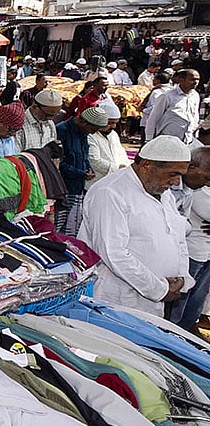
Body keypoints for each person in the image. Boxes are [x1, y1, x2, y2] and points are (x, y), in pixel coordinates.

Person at [80, 136, 195, 317]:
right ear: (147, 165)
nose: (176, 183)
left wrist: (181, 278)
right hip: (118, 299)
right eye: (173, 174)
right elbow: (113, 253)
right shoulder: (110, 192)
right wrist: (159, 289)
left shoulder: (162, 191)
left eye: (180, 175)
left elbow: (177, 236)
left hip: (156, 299)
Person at [168, 147, 210, 331]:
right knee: (180, 300)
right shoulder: (188, 188)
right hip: (193, 250)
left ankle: (183, 332)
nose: (208, 183)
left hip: (203, 252)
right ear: (191, 167)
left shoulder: (192, 186)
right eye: (207, 178)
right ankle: (174, 332)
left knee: (197, 298)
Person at [55, 107, 107, 236]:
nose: (92, 133)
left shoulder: (83, 133)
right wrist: (80, 173)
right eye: (92, 129)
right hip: (62, 188)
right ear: (84, 123)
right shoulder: (62, 130)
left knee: (72, 228)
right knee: (58, 227)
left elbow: (84, 155)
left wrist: (87, 168)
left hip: (78, 187)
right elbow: (57, 162)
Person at [146, 68, 201, 143]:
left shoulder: (195, 95)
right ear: (181, 80)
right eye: (192, 79)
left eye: (198, 80)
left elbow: (195, 116)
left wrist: (194, 134)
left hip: (187, 139)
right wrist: (149, 139)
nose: (196, 82)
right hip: (167, 139)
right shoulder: (167, 96)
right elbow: (153, 118)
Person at [87, 101, 129, 188]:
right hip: (96, 182)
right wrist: (117, 169)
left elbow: (121, 153)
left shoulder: (113, 134)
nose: (113, 126)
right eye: (110, 123)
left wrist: (126, 167)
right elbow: (94, 160)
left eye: (115, 123)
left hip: (115, 180)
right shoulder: (90, 135)